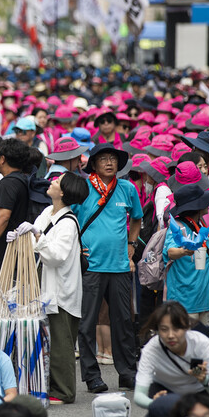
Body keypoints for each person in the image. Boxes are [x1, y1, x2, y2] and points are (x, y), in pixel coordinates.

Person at [10, 172, 89, 404]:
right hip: (43, 286)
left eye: (56, 181)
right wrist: (19, 236)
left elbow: (56, 256)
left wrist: (36, 234)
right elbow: (34, 239)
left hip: (61, 290)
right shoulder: (47, 212)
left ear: (63, 192)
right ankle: (50, 386)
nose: (52, 182)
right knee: (48, 338)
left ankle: (64, 391)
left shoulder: (69, 223)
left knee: (61, 341)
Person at [73, 143, 143, 393]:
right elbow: (70, 219)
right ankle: (92, 376)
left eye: (113, 158)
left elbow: (137, 218)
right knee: (88, 323)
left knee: (124, 320)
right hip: (91, 265)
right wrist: (77, 247)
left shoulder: (127, 188)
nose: (109, 162)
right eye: (103, 159)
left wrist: (132, 244)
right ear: (93, 164)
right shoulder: (83, 188)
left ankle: (127, 373)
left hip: (120, 265)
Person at [133, 302, 209, 408]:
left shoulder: (202, 345)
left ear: (187, 327)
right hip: (166, 394)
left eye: (176, 329)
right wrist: (155, 404)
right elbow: (139, 396)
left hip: (200, 392)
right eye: (164, 329)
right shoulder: (151, 349)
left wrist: (205, 380)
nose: (170, 335)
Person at [164, 185, 209, 328]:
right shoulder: (178, 227)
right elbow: (170, 251)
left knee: (206, 346)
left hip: (204, 301)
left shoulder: (200, 225)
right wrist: (184, 251)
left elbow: (208, 257)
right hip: (184, 304)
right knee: (185, 347)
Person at [0, 139, 33, 278]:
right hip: (12, 252)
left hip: (5, 254)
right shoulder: (20, 179)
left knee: (1, 295)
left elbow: (3, 216)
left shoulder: (8, 183)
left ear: (2, 159)